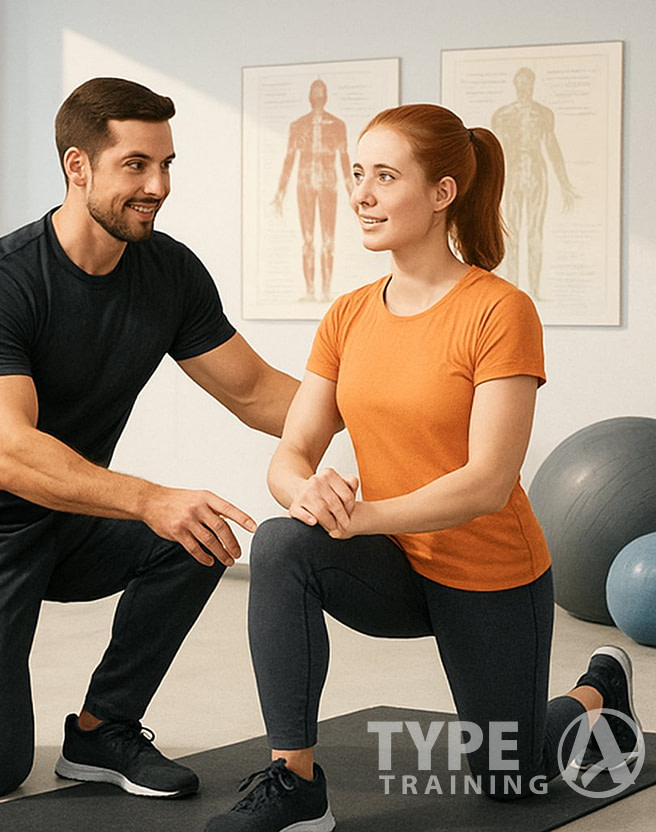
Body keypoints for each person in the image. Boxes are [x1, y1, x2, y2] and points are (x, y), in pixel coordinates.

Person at [0, 77, 298, 801]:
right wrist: (148, 498)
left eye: (167, 164)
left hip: (68, 522)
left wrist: (395, 409)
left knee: (196, 536)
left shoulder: (168, 272)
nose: (159, 186)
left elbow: (259, 393)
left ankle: (102, 730)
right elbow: (10, 454)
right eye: (136, 165)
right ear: (78, 166)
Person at [205, 103, 641, 832]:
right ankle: (296, 783)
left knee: (511, 776)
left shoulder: (499, 311)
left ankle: (598, 689)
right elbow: (293, 450)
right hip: (395, 568)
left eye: (384, 176)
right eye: (356, 175)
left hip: (488, 573)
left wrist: (362, 514)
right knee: (282, 542)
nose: (362, 195)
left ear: (442, 193)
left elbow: (487, 481)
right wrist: (306, 492)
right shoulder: (347, 315)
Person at [491, 67, 579, 299]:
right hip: (511, 174)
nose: (524, 88)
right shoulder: (502, 115)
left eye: (527, 83)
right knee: (510, 232)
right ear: (515, 85)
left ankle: (535, 290)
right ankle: (511, 291)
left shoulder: (543, 114)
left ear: (532, 84)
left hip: (537, 174)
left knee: (534, 231)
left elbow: (552, 147)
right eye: (520, 83)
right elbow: (494, 153)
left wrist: (564, 183)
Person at [272, 79, 353, 303]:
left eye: (321, 93)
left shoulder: (337, 125)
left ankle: (325, 290)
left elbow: (345, 159)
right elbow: (289, 159)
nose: (317, 97)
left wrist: (353, 192)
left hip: (328, 184)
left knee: (328, 239)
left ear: (325, 96)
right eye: (314, 93)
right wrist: (280, 192)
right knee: (308, 239)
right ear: (310, 96)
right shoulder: (299, 125)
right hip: (305, 184)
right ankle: (310, 290)